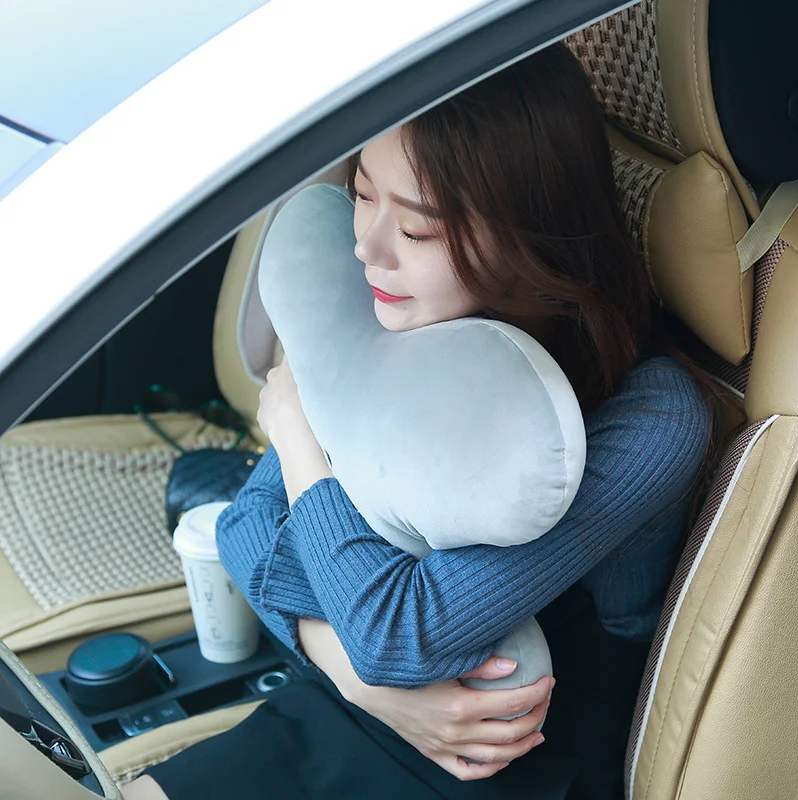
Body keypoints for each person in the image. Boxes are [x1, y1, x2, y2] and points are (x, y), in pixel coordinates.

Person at [123, 42, 711, 800]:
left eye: (419, 229)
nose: (367, 247)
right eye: (363, 195)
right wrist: (361, 682)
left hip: (510, 750)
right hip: (355, 702)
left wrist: (296, 433)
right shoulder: (391, 317)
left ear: (529, 234)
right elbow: (244, 527)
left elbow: (401, 634)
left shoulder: (652, 418)